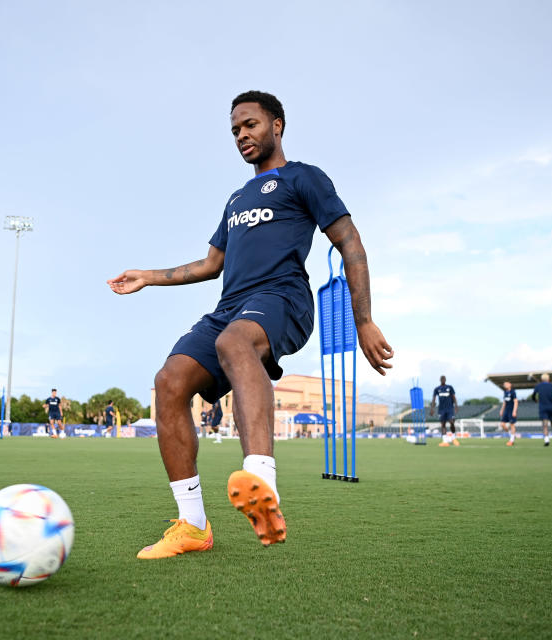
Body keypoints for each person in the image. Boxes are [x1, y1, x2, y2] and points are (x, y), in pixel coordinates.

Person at [107, 90, 393, 559]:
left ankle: (261, 480)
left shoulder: (304, 178)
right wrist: (148, 277)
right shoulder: (236, 199)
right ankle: (193, 526)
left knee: (236, 342)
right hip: (230, 305)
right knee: (170, 381)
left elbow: (351, 243)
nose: (242, 135)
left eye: (251, 125)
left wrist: (363, 320)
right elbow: (209, 264)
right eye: (235, 130)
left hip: (283, 298)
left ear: (276, 126)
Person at [430, 376, 459, 447]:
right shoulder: (437, 389)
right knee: (443, 424)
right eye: (442, 379)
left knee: (452, 422)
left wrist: (456, 405)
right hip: (441, 409)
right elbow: (434, 399)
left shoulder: (450, 387)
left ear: (445, 380)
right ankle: (445, 441)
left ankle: (453, 438)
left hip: (450, 408)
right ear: (440, 380)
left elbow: (454, 397)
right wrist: (432, 408)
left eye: (444, 379)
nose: (443, 380)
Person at [499, 381, 518, 446]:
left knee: (512, 424)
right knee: (502, 424)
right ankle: (511, 434)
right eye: (504, 384)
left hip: (511, 410)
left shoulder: (513, 392)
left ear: (510, 384)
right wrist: (501, 410)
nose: (505, 385)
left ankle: (511, 441)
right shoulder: (505, 392)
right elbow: (504, 402)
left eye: (506, 384)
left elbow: (516, 402)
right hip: (506, 410)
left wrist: (514, 411)